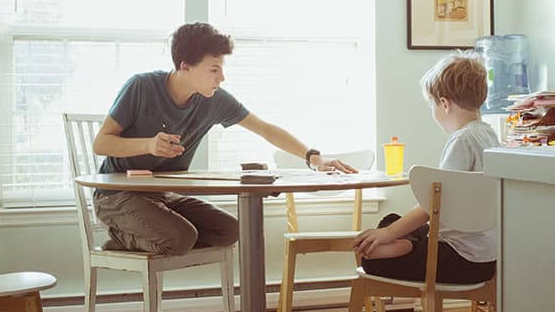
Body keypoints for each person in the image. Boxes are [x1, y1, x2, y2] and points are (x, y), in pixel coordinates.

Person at [92, 22, 356, 255]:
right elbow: (101, 143)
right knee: (182, 237)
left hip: (162, 196)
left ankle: (167, 237)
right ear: (186, 66)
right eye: (214, 69)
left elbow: (265, 129)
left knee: (230, 230)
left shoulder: (214, 100)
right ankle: (125, 237)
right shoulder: (142, 86)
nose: (222, 77)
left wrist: (314, 157)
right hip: (116, 195)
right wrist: (148, 144)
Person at [353, 51, 500, 284]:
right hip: (487, 260)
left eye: (432, 104)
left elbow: (433, 204)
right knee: (395, 219)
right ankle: (407, 243)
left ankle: (404, 244)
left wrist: (389, 233)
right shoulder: (490, 136)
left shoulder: (461, 141)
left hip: (454, 260)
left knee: (371, 259)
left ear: (444, 103)